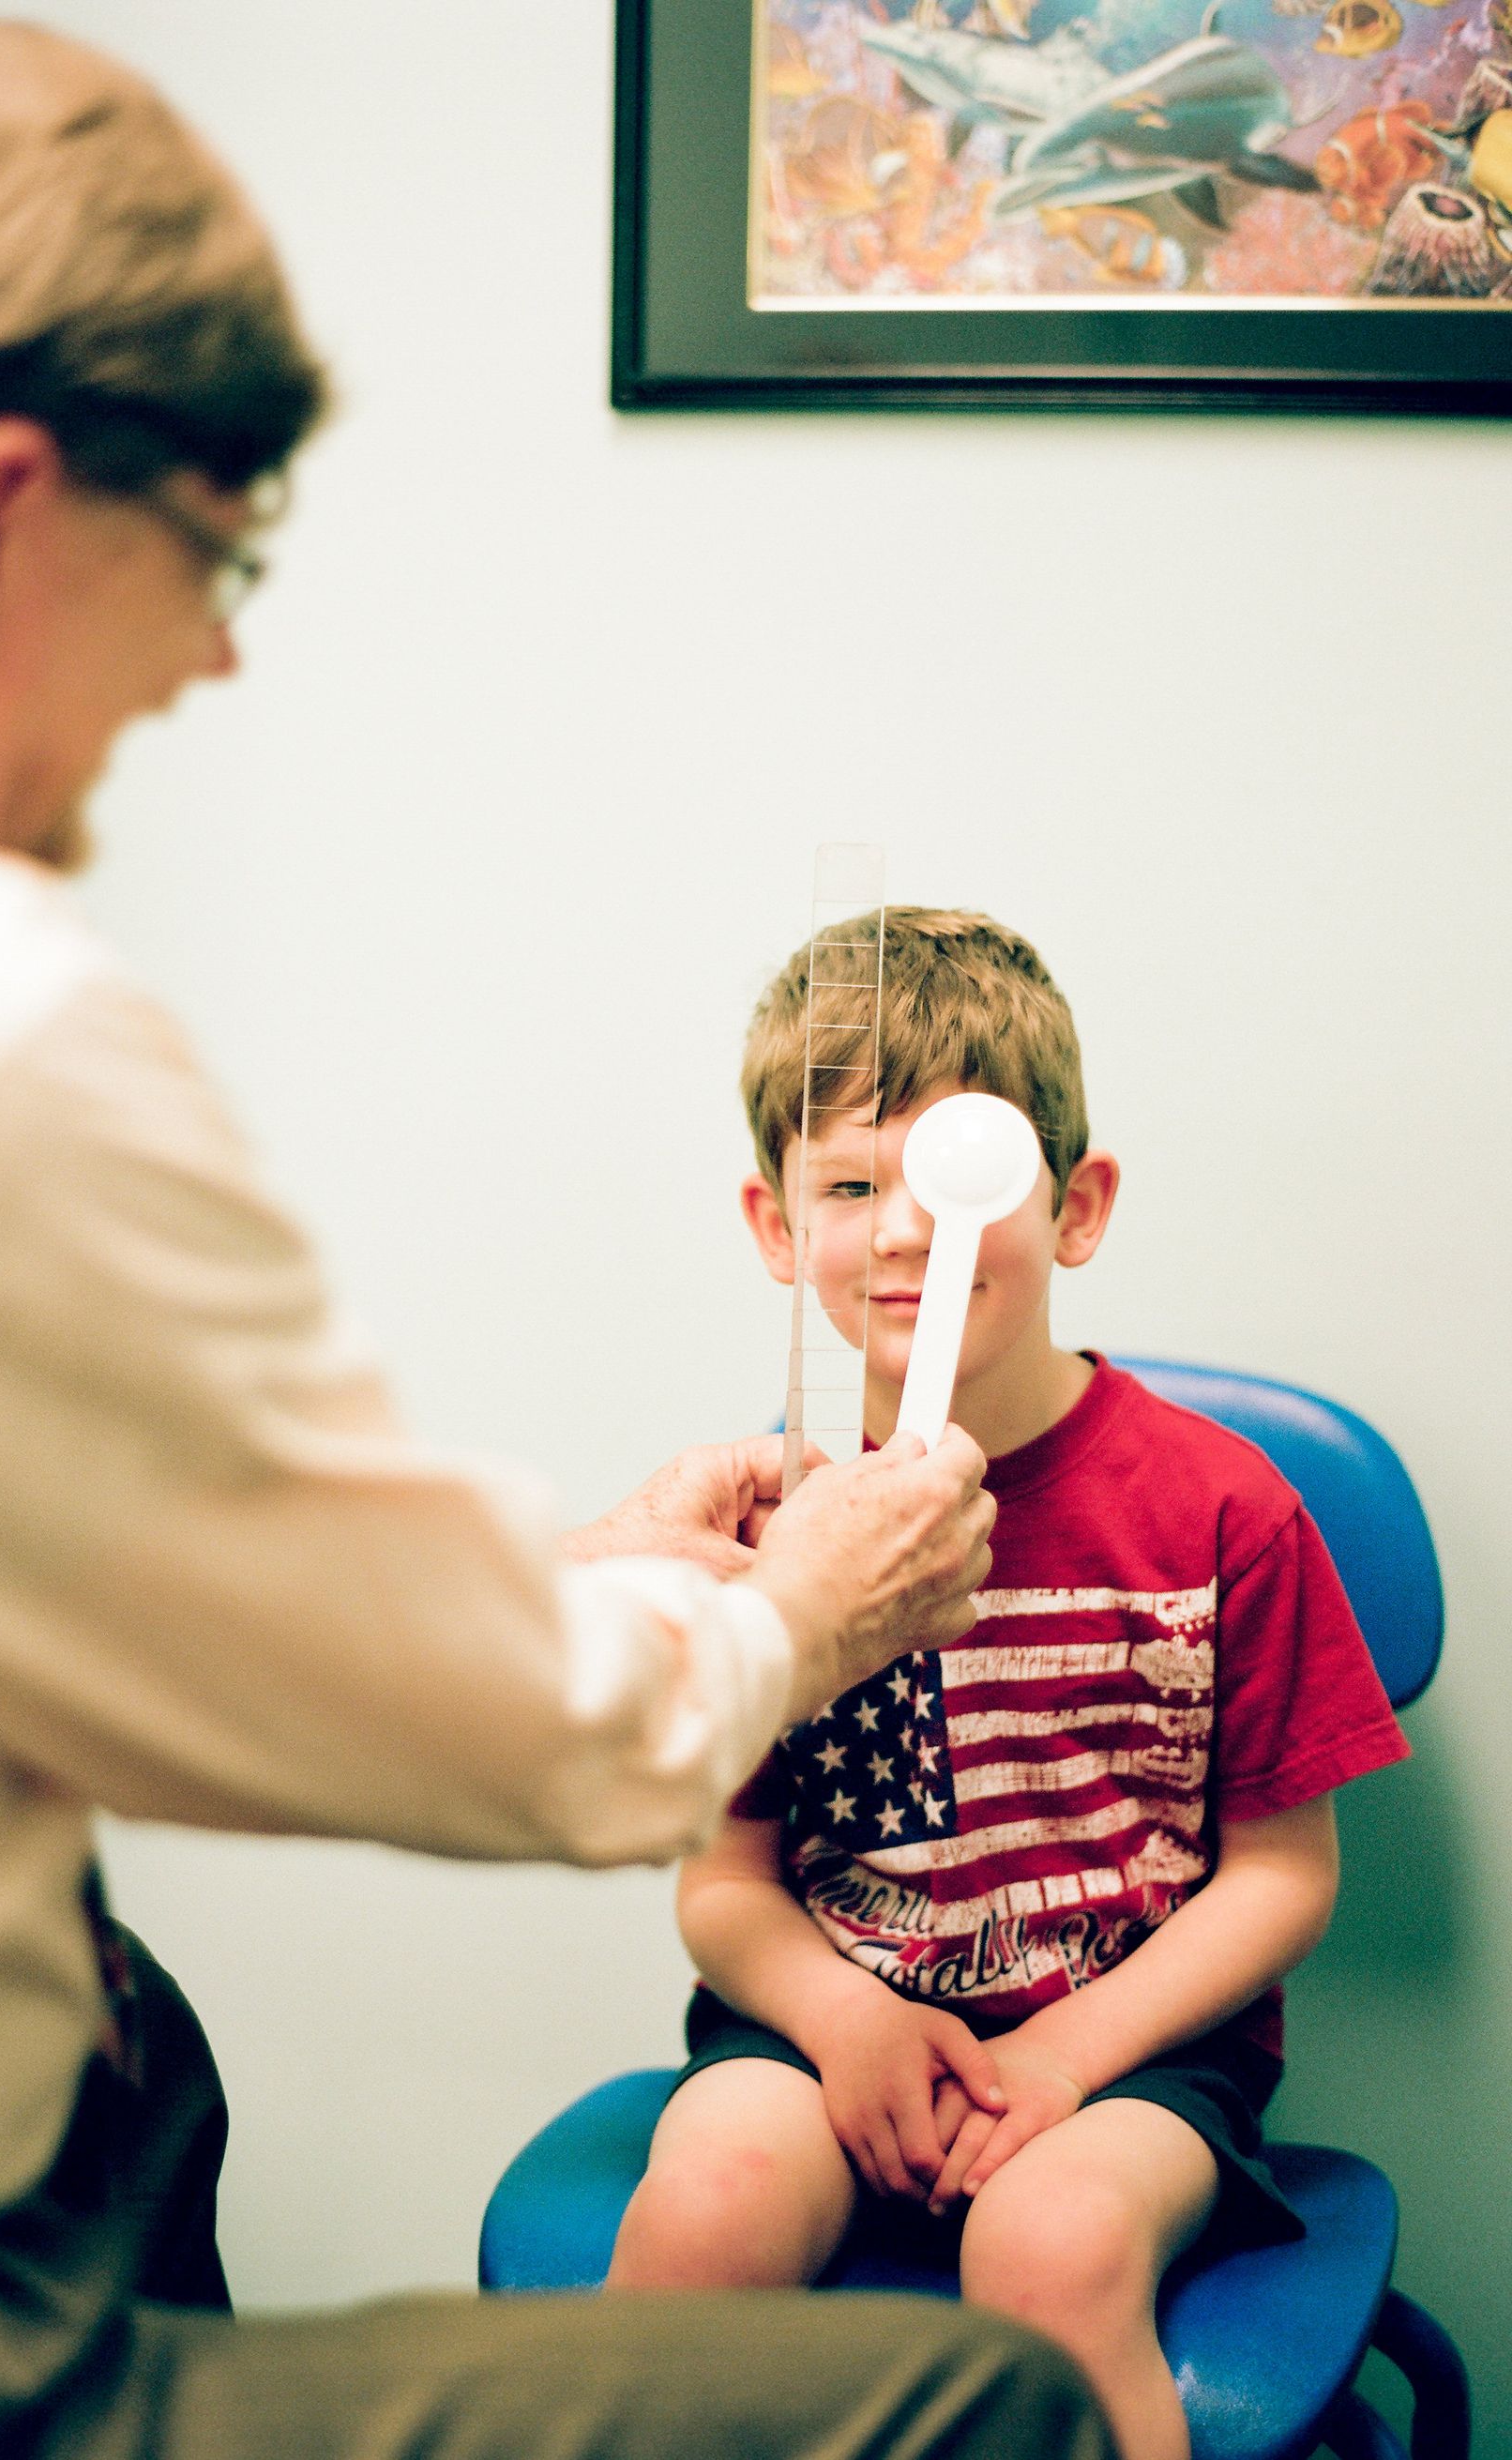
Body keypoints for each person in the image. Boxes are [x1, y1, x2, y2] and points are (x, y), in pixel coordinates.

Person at [0, 14, 1122, 2460]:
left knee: (130, 2040)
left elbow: (31, 1584)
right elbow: (541, 1748)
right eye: (220, 552)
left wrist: (590, 1576)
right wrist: (786, 1609)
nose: (225, 650)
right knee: (960, 2398)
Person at [607, 908, 1412, 2460]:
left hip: (1129, 2055)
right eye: (849, 1185)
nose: (904, 1230)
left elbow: (1283, 1877)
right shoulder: (775, 1540)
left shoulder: (1223, 1508)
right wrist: (845, 2022)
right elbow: (724, 1889)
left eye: (949, 1173)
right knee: (704, 2205)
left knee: (1046, 2248)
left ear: (1079, 1201)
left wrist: (1058, 2055)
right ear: (779, 1230)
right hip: (821, 2026)